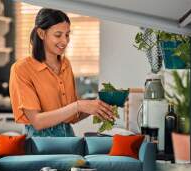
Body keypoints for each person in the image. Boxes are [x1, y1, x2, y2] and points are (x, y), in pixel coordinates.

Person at [9, 8, 114, 137]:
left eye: (67, 35)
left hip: (68, 139)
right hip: (39, 143)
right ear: (41, 34)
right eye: (58, 35)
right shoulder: (21, 69)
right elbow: (37, 121)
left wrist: (98, 105)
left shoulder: (66, 65)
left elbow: (72, 117)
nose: (65, 41)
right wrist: (78, 105)